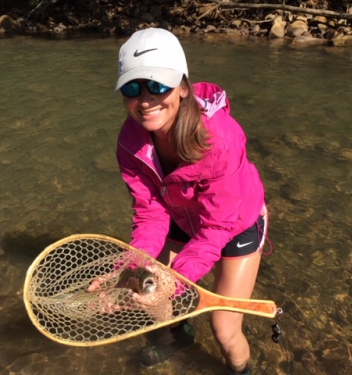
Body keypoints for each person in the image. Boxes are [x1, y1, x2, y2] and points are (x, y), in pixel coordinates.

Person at [114, 28, 269, 375]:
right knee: (148, 289)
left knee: (224, 330)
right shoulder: (130, 141)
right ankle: (177, 336)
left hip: (234, 223)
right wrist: (128, 265)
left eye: (158, 85)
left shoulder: (220, 140)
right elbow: (150, 214)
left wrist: (173, 281)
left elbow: (216, 229)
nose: (146, 99)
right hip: (182, 216)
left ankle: (241, 371)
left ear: (183, 88)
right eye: (132, 87)